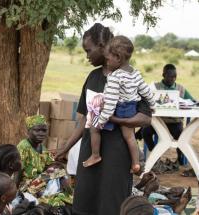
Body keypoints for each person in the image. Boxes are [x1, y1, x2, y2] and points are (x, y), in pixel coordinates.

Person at [54, 23, 152, 215]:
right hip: (91, 152)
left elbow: (146, 118)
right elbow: (84, 119)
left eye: (88, 50)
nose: (87, 56)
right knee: (85, 202)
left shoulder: (130, 78)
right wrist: (65, 147)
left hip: (117, 154)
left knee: (113, 203)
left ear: (102, 46)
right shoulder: (93, 77)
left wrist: (116, 120)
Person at [83, 36, 155, 174]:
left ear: (118, 58)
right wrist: (152, 104)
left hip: (119, 109)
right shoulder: (134, 72)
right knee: (130, 137)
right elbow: (145, 90)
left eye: (108, 59)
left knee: (93, 128)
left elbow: (110, 103)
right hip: (131, 108)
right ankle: (135, 164)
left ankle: (95, 155)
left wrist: (102, 120)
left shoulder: (115, 77)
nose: (107, 62)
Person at [141, 64, 197, 165]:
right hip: (158, 121)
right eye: (170, 76)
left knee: (182, 137)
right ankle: (155, 153)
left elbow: (191, 101)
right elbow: (145, 100)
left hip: (174, 122)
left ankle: (180, 158)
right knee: (145, 131)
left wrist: (190, 102)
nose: (173, 79)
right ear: (163, 75)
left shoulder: (181, 89)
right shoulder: (155, 87)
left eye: (175, 76)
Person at [17, 115, 72, 206]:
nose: (41, 133)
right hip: (27, 185)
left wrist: (57, 170)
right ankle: (64, 194)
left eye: (44, 130)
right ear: (28, 131)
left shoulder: (43, 148)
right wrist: (16, 192)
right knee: (56, 171)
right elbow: (18, 171)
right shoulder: (24, 146)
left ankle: (67, 193)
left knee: (59, 169)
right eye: (37, 130)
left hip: (40, 181)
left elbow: (51, 165)